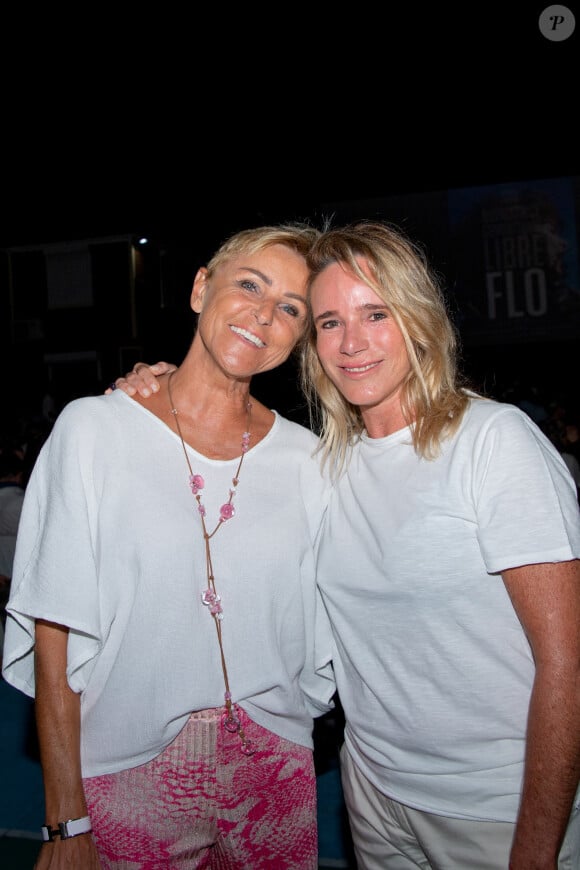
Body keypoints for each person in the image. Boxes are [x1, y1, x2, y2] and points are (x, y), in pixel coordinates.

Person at [121, 220, 580, 870]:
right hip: (372, 797)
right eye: (330, 321)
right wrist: (151, 390)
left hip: (496, 808)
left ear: (418, 321)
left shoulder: (493, 443)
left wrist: (534, 853)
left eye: (375, 314)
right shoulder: (324, 464)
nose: (352, 342)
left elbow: (567, 663)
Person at [2, 223, 336, 870]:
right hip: (130, 770)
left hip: (277, 773)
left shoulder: (310, 460)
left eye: (291, 308)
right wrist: (65, 820)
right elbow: (55, 636)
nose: (264, 315)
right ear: (200, 288)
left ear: (300, 336)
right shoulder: (93, 431)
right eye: (249, 285)